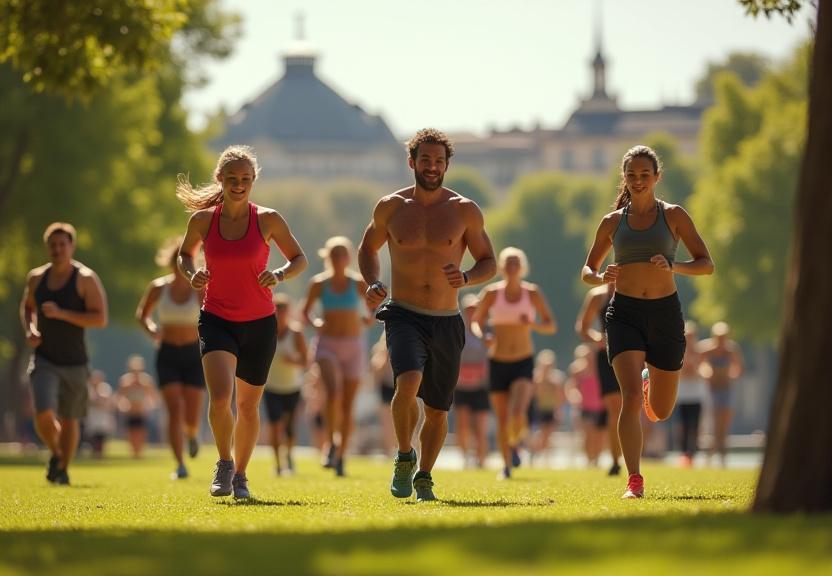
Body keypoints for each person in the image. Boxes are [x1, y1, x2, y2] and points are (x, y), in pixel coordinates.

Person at [358, 128, 496, 501]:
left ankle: (424, 476)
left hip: (447, 320)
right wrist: (373, 282)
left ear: (447, 165)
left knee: (437, 410)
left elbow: (489, 261)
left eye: (438, 161)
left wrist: (466, 277)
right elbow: (368, 249)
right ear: (412, 162)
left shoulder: (464, 210)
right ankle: (405, 455)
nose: (432, 167)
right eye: (425, 160)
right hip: (403, 314)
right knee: (406, 384)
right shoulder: (391, 207)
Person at [581, 144, 714, 498]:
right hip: (623, 314)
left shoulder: (674, 216)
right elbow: (587, 269)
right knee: (628, 399)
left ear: (657, 177)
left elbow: (706, 263)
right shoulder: (612, 222)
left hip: (664, 314)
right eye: (631, 175)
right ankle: (634, 480)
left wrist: (674, 265)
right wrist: (600, 277)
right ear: (624, 177)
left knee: (661, 410)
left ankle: (648, 382)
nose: (638, 180)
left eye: (644, 174)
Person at [177, 145, 307, 499]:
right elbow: (185, 255)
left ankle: (241, 476)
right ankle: (224, 462)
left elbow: (299, 258)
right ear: (220, 178)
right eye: (232, 178)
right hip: (216, 318)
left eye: (246, 179)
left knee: (248, 407)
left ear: (253, 181)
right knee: (221, 397)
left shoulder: (268, 219)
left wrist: (279, 274)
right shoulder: (203, 221)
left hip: (259, 324)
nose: (239, 185)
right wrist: (192, 273)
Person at [20, 222, 109, 485]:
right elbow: (27, 307)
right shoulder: (37, 278)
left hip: (75, 361)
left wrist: (62, 314)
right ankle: (57, 453)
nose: (57, 249)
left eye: (62, 244)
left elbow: (100, 318)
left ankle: (62, 468)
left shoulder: (85, 278)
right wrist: (31, 329)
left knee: (70, 419)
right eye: (53, 245)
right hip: (44, 358)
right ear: (47, 247)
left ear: (72, 246)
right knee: (43, 413)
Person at [471, 247, 556, 480]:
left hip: (522, 360)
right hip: (498, 361)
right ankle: (507, 465)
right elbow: (477, 321)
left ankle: (516, 441)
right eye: (507, 263)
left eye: (515, 263)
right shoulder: (491, 293)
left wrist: (532, 324)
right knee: (501, 419)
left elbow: (550, 324)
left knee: (517, 411)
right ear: (501, 267)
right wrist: (484, 335)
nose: (511, 267)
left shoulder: (532, 293)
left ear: (522, 267)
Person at [136, 237, 205, 479]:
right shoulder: (159, 287)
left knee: (191, 415)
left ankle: (192, 434)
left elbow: (212, 314)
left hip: (193, 354)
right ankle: (180, 464)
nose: (182, 265)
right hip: (167, 354)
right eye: (179, 260)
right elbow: (142, 314)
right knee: (174, 409)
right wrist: (152, 329)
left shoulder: (200, 289)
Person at [302, 236, 371, 477]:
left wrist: (368, 317)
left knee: (347, 405)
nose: (339, 259)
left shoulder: (358, 283)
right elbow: (305, 312)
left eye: (343, 254)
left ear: (349, 258)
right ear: (328, 258)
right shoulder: (319, 284)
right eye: (334, 255)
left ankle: (341, 455)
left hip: (353, 345)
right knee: (332, 392)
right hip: (327, 345)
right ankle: (330, 443)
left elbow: (373, 306)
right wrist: (316, 322)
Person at [576, 283, 623, 475]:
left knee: (630, 405)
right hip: (606, 357)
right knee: (614, 408)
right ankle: (615, 459)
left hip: (631, 354)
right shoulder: (597, 296)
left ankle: (628, 455)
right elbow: (583, 327)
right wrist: (598, 339)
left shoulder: (634, 289)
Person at [263, 294, 308, 476]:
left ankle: (288, 455)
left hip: (292, 388)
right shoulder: (266, 332)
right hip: (271, 387)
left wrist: (293, 361)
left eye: (282, 311)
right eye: (276, 311)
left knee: (289, 427)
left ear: (288, 313)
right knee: (275, 426)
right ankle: (278, 464)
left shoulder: (296, 334)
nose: (279, 315)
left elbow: (305, 361)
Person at [698, 321, 744, 467]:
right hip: (711, 391)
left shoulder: (732, 350)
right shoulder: (706, 349)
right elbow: (701, 365)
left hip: (727, 389)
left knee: (724, 424)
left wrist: (731, 374)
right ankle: (711, 455)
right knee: (713, 424)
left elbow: (738, 368)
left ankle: (722, 456)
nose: (721, 341)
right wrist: (707, 372)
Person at [453, 294, 491, 469]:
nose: (472, 312)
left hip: (481, 385)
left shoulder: (487, 330)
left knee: (480, 426)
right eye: (469, 309)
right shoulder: (457, 330)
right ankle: (465, 458)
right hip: (461, 385)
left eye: (475, 309)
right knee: (462, 425)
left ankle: (481, 460)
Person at [567, 344, 606, 466]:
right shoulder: (577, 371)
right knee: (588, 434)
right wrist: (575, 395)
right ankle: (589, 459)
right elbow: (571, 386)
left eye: (591, 356)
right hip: (585, 407)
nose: (589, 359)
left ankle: (596, 459)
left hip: (601, 407)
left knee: (599, 435)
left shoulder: (601, 369)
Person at [675, 321, 706, 468]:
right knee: (683, 425)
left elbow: (702, 370)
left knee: (695, 425)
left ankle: (693, 452)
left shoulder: (700, 352)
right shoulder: (679, 351)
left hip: (696, 394)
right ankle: (684, 453)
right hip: (683, 395)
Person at [115, 355, 158, 458]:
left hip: (142, 412)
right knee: (130, 433)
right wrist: (123, 406)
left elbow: (153, 397)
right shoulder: (125, 381)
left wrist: (148, 406)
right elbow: (119, 397)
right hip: (130, 412)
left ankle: (139, 453)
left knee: (141, 433)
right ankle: (134, 453)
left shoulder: (146, 381)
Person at [530, 349, 565, 463]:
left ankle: (543, 457)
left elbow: (560, 396)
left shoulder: (557, 378)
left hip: (551, 410)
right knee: (540, 434)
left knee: (548, 435)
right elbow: (535, 395)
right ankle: (536, 453)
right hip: (538, 410)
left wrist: (559, 410)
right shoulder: (535, 378)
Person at [369, 333, 397, 456]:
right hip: (386, 388)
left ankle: (401, 448)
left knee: (401, 420)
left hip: (399, 387)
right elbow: (376, 372)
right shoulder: (380, 351)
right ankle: (389, 449)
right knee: (387, 421)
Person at [85, 370, 116, 459]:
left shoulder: (105, 388)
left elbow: (107, 402)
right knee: (93, 437)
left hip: (103, 418)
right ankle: (94, 453)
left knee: (102, 436)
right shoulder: (88, 389)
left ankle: (100, 453)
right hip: (92, 417)